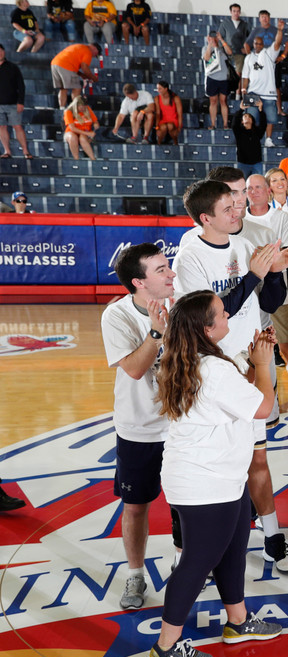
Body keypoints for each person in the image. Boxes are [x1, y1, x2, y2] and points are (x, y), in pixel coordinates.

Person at [148, 290, 283, 657]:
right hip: (206, 483)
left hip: (218, 478)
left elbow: (235, 396)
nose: (229, 318)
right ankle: (165, 646)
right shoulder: (214, 369)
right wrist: (265, 364)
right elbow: (263, 407)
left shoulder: (195, 360)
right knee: (196, 563)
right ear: (207, 329)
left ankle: (238, 621)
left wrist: (254, 364)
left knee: (233, 548)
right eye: (223, 314)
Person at [173, 177, 288, 574]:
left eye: (237, 203)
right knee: (213, 465)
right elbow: (208, 317)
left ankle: (273, 538)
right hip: (212, 370)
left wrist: (274, 273)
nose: (238, 210)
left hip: (249, 364)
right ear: (205, 218)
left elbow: (272, 301)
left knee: (258, 458)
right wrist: (254, 276)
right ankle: (191, 553)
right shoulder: (188, 256)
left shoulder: (244, 245)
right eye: (228, 208)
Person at [101, 243, 183, 611]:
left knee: (186, 503)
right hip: (140, 428)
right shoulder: (116, 315)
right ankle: (135, 574)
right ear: (139, 282)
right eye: (161, 270)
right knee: (135, 505)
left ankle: (185, 566)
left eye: (168, 267)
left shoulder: (181, 303)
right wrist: (155, 332)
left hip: (182, 426)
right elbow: (134, 370)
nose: (171, 274)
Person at [241, 19, 284, 145]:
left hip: (268, 93)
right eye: (256, 43)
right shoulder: (248, 58)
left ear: (263, 44)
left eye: (260, 44)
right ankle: (252, 139)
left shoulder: (269, 53)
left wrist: (280, 30)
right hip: (253, 93)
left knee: (270, 119)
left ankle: (268, 139)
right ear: (253, 44)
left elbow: (277, 42)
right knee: (251, 118)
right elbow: (245, 76)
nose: (258, 45)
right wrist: (244, 89)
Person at [0, 43, 29, 159]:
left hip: (13, 103)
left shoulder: (13, 67)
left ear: (4, 52)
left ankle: (26, 152)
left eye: (1, 51)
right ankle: (7, 151)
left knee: (17, 126)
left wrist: (20, 102)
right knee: (2, 127)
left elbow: (21, 86)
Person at [50, 42, 99, 109]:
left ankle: (62, 108)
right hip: (66, 66)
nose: (94, 56)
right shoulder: (88, 51)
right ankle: (75, 108)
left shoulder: (78, 46)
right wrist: (94, 78)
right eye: (96, 54)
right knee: (77, 88)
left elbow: (72, 62)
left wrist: (81, 74)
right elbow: (84, 67)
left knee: (63, 88)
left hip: (55, 64)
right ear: (95, 48)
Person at [203, 31, 233, 130]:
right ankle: (213, 124)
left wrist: (221, 40)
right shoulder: (205, 48)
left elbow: (230, 52)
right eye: (212, 37)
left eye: (215, 37)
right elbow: (206, 58)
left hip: (223, 78)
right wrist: (209, 45)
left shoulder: (222, 48)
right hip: (212, 78)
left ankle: (225, 124)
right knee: (213, 101)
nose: (214, 39)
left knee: (223, 101)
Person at [231, 101, 266, 176]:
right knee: (242, 184)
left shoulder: (257, 132)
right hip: (243, 163)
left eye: (249, 117)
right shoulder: (239, 132)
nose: (248, 118)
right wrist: (241, 110)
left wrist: (260, 110)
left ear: (252, 121)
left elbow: (263, 124)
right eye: (245, 116)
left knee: (258, 183)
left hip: (257, 163)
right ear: (242, 122)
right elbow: (234, 124)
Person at [218, 3, 250, 81]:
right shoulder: (224, 24)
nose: (236, 13)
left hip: (239, 53)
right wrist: (221, 51)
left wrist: (246, 49)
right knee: (227, 74)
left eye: (238, 11)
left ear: (240, 12)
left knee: (238, 74)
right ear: (230, 12)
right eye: (234, 11)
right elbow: (219, 38)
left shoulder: (244, 25)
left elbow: (250, 38)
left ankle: (238, 93)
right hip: (227, 53)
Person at [63, 95, 98, 161]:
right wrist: (88, 134)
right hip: (71, 132)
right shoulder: (68, 112)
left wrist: (96, 125)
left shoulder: (87, 109)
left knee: (82, 138)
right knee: (73, 137)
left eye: (84, 106)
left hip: (85, 132)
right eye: (80, 107)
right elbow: (72, 128)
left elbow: (95, 121)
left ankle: (93, 159)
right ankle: (76, 159)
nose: (83, 108)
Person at [154, 81, 182, 145]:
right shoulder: (157, 98)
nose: (158, 90)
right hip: (163, 120)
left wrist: (179, 128)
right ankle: (159, 143)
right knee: (163, 127)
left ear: (166, 89)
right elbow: (158, 113)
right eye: (157, 89)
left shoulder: (175, 98)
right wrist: (157, 127)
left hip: (174, 120)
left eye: (160, 89)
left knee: (170, 126)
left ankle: (175, 142)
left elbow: (180, 114)